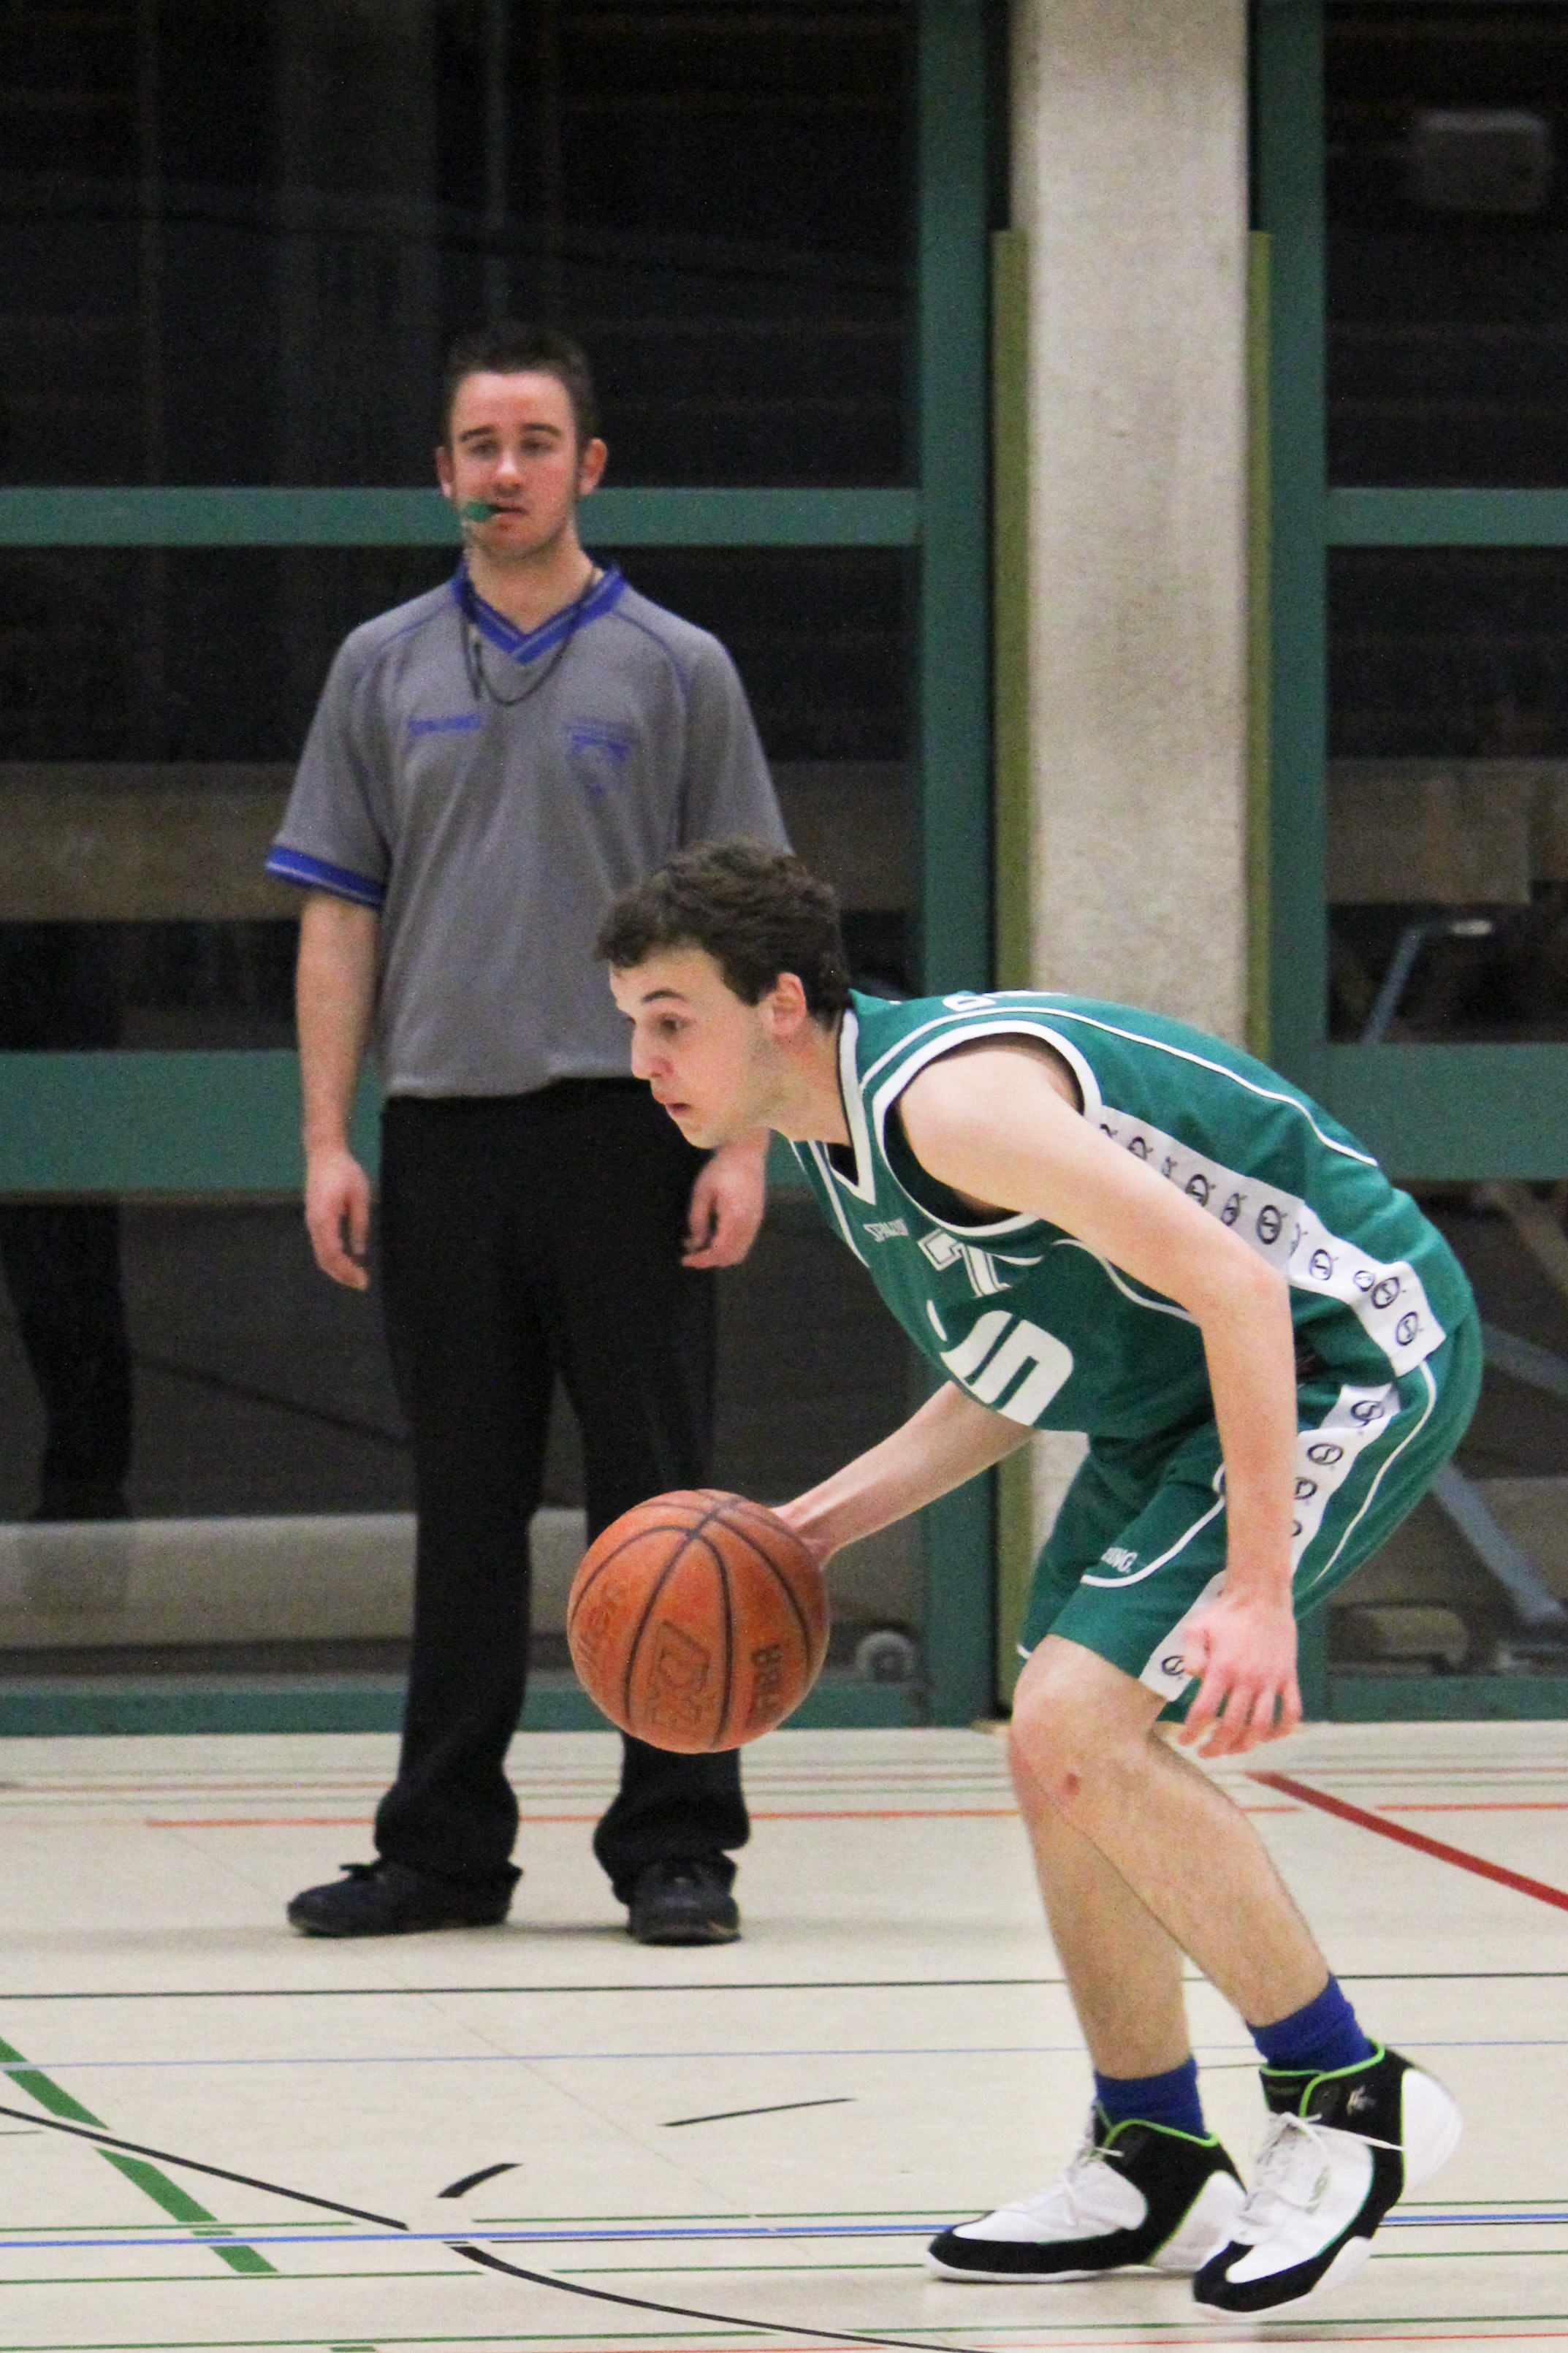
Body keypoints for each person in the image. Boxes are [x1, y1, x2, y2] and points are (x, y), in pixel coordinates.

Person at [598, 840, 1480, 2316]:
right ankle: (1150, 2146)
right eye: (633, 1021)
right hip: (1171, 1396)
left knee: (1079, 1722)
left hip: (1349, 1347)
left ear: (779, 1005)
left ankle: (1351, 2098)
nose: (643, 1060)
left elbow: (1239, 1286)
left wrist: (1255, 1588)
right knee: (1050, 1746)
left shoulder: (951, 1105)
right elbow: (1010, 1375)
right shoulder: (838, 1133)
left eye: (670, 1018)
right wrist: (808, 1530)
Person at [264, 327, 787, 1945]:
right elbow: (338, 918)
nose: (507, 470)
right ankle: (440, 1851)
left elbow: (753, 929)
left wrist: (742, 1142)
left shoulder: (678, 667)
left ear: (588, 467)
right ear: (443, 471)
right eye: (480, 445)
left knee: (663, 1507)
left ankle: (678, 1844)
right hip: (443, 1142)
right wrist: (328, 1137)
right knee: (465, 1507)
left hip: (633, 1140)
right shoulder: (379, 666)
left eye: (536, 442)